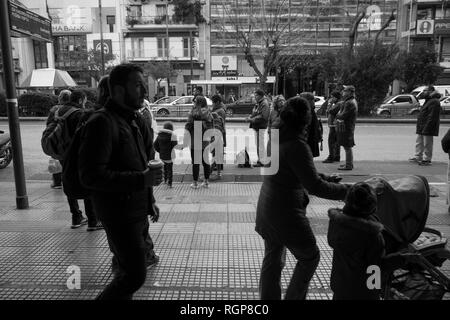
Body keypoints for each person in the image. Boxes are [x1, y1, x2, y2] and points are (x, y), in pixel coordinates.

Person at [78, 63, 163, 300]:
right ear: (117, 90)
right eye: (137, 86)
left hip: (135, 210)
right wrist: (142, 179)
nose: (144, 92)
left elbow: (138, 165)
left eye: (143, 86)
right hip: (118, 214)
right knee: (135, 275)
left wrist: (149, 199)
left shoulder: (133, 120)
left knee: (128, 273)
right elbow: (91, 176)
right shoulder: (102, 122)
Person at [255, 96, 349, 300]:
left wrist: (322, 176)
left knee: (273, 259)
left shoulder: (276, 135)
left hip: (267, 207)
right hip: (286, 212)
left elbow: (293, 172)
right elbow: (314, 186)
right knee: (310, 256)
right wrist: (346, 192)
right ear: (306, 120)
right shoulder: (297, 145)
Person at [53, 90, 103, 231]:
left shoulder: (57, 111)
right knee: (87, 182)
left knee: (68, 180)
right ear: (81, 100)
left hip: (62, 153)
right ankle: (93, 220)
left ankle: (76, 217)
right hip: (78, 154)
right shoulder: (79, 114)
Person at [327, 182, 385, 300]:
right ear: (372, 207)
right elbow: (376, 267)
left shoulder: (335, 223)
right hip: (363, 292)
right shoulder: (372, 236)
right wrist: (402, 258)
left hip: (340, 285)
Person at [409, 85, 441, 166]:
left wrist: (427, 127)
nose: (423, 92)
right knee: (419, 142)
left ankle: (427, 159)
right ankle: (418, 156)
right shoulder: (428, 100)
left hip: (428, 126)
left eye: (425, 90)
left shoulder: (434, 101)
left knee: (427, 143)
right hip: (422, 125)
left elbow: (432, 116)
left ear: (431, 91)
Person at [185, 96, 213, 189]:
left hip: (195, 139)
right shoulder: (208, 112)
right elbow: (211, 126)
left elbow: (188, 126)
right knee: (205, 162)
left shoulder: (192, 113)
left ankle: (195, 183)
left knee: (195, 162)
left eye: (195, 101)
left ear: (198, 103)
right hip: (205, 140)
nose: (194, 103)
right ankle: (206, 182)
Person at [47, 90, 72, 189]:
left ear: (60, 98)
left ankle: (57, 182)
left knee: (56, 159)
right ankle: (68, 181)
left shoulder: (54, 109)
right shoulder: (73, 109)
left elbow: (49, 125)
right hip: (69, 140)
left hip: (56, 139)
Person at [336, 85, 358, 171]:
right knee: (346, 146)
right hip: (348, 126)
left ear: (349, 92)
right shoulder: (350, 101)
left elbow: (343, 115)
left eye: (345, 90)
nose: (343, 92)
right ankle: (348, 163)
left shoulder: (349, 102)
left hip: (346, 127)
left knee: (347, 146)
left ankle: (349, 165)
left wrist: (337, 114)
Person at [247, 89, 270, 167]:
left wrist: (252, 119)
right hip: (257, 127)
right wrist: (251, 116)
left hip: (261, 126)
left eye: (256, 95)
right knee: (258, 144)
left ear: (261, 96)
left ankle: (262, 161)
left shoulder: (264, 103)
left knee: (260, 145)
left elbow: (264, 116)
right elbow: (256, 113)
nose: (254, 97)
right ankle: (260, 160)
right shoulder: (259, 103)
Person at [154, 122, 178, 188]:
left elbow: (155, 145)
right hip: (170, 156)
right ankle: (170, 183)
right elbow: (175, 145)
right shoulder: (173, 136)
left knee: (164, 167)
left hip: (162, 155)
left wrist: (160, 151)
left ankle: (165, 180)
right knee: (170, 169)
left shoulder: (159, 135)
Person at [299, 92, 322, 158]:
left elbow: (306, 127)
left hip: (308, 139)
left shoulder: (307, 111)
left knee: (306, 157)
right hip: (312, 138)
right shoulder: (311, 109)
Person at [322, 91, 342, 163]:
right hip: (334, 125)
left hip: (334, 126)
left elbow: (329, 111)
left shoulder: (338, 104)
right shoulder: (338, 103)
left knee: (331, 141)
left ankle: (331, 157)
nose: (331, 98)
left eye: (332, 97)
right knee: (336, 141)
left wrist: (329, 104)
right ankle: (336, 156)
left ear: (336, 97)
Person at [210, 94, 227, 178]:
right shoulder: (218, 109)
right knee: (218, 154)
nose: (212, 104)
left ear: (217, 102)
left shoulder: (219, 111)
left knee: (215, 155)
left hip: (216, 135)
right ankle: (219, 173)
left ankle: (209, 174)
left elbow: (219, 125)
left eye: (213, 102)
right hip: (219, 135)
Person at [267, 95, 285, 159]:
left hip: (282, 134)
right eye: (279, 101)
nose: (281, 102)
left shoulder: (286, 111)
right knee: (270, 148)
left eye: (283, 100)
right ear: (276, 102)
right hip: (273, 133)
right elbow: (269, 121)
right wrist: (269, 130)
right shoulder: (273, 111)